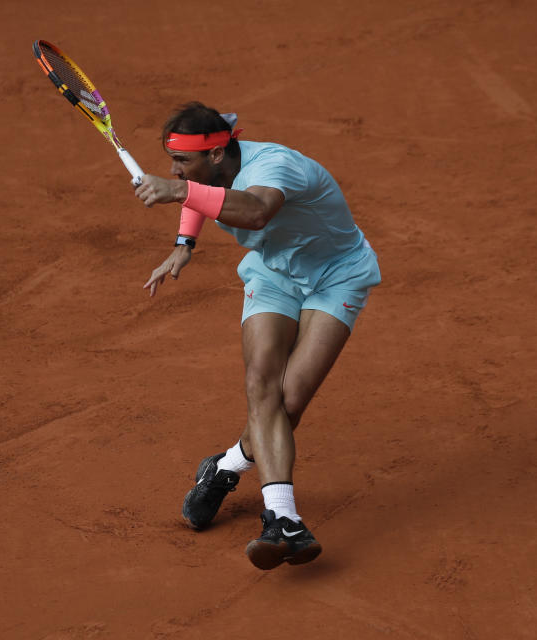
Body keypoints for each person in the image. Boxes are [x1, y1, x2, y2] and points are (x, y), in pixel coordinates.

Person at [134, 102, 381, 570]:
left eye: (182, 161)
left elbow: (256, 212)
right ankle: (283, 521)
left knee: (288, 404)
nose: (173, 170)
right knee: (261, 386)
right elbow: (199, 194)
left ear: (214, 155)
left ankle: (225, 467)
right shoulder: (210, 171)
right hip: (273, 272)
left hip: (338, 276)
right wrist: (184, 244)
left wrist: (178, 190)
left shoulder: (275, 166)